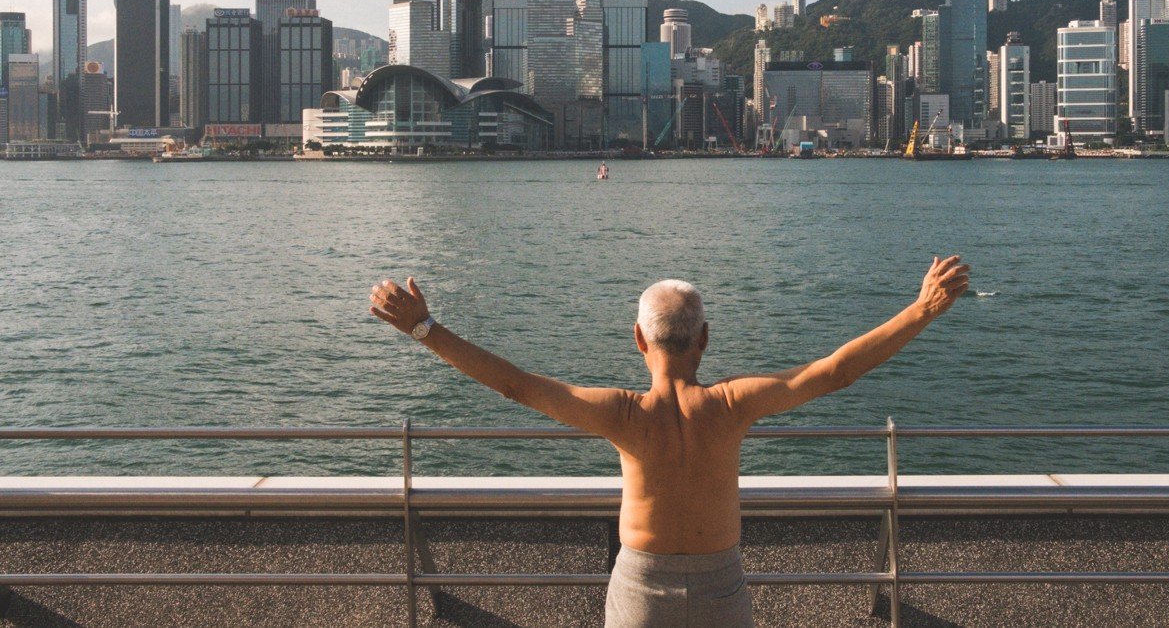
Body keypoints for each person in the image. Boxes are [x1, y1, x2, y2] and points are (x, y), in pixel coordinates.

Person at [369, 255, 971, 627]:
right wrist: (920, 310)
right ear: (704, 338)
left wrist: (424, 327)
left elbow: (515, 386)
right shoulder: (734, 404)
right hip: (720, 585)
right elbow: (835, 371)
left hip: (641, 589)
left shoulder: (622, 415)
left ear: (638, 339)